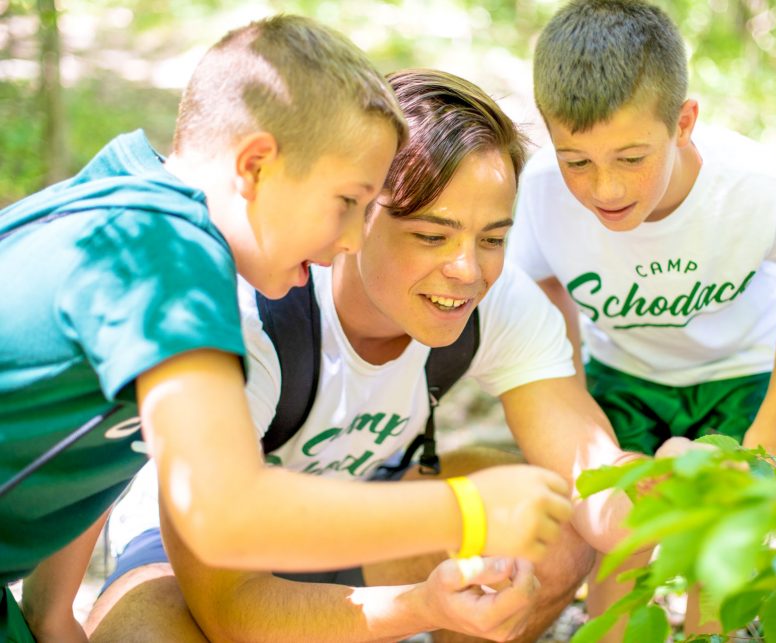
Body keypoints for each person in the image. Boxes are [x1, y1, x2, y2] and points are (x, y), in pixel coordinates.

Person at [0, 19, 575, 642]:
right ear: (255, 166)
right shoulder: (170, 261)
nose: (350, 241)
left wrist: (52, 613)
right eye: (347, 203)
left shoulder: (126, 198)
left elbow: (97, 437)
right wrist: (466, 511)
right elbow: (223, 512)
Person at [83, 69, 661, 643]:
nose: (469, 271)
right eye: (432, 237)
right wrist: (420, 606)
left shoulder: (500, 301)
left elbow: (591, 478)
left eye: (493, 238)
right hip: (198, 561)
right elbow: (231, 611)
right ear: (356, 211)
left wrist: (685, 487)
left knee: (553, 530)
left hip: (367, 524)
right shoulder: (251, 315)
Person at [508, 0, 776, 637]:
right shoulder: (544, 192)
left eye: (632, 158)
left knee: (715, 550)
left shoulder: (757, 189)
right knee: (622, 544)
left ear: (683, 123)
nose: (604, 189)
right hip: (623, 377)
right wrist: (573, 389)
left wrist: (774, 416)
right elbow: (542, 283)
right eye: (578, 160)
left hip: (738, 379)